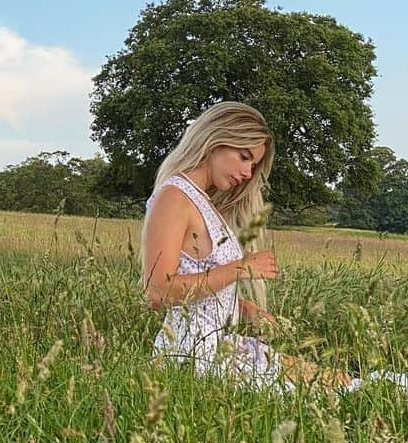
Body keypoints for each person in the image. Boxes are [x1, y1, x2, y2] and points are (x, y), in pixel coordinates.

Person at [141, 101, 351, 392]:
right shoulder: (175, 196)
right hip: (191, 358)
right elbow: (158, 292)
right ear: (215, 140)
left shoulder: (203, 202)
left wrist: (244, 308)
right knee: (327, 391)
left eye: (253, 165)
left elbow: (202, 301)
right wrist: (239, 269)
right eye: (244, 157)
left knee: (340, 381)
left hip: (218, 349)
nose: (248, 173)